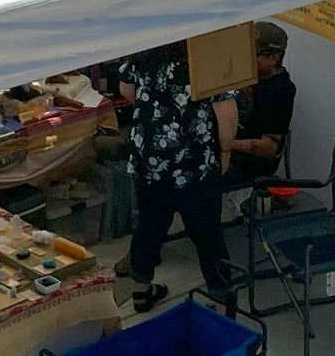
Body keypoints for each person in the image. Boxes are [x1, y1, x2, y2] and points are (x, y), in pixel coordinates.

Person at [119, 41, 237, 313]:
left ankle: (141, 289)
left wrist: (158, 106)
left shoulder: (144, 49)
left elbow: (126, 90)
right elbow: (227, 115)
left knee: (150, 224)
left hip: (150, 160)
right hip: (192, 162)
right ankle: (221, 297)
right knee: (206, 232)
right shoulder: (210, 54)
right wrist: (226, 151)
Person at [225, 21, 297, 187]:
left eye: (254, 54)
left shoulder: (281, 91)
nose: (246, 57)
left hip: (248, 164)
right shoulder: (250, 74)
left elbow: (268, 148)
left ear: (274, 57)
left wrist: (224, 145)